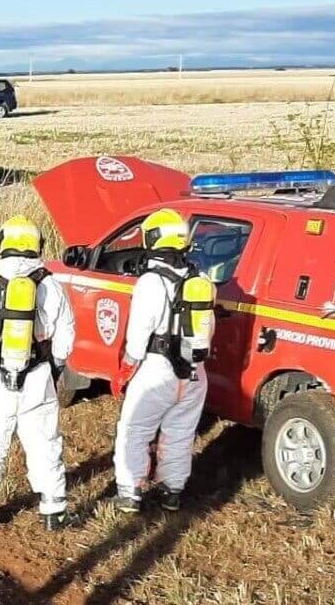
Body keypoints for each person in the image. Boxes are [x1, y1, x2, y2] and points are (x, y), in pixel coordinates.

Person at [0, 215, 76, 535]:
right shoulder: (50, 284)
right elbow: (65, 333)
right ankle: (55, 511)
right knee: (45, 443)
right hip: (37, 377)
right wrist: (57, 367)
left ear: (2, 243)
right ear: (38, 245)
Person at [112, 208, 215, 513]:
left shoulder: (151, 283)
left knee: (135, 430)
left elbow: (139, 335)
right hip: (196, 372)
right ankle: (173, 491)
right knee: (181, 433)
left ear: (153, 238)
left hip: (157, 369)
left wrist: (126, 370)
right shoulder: (200, 279)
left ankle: (130, 491)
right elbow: (209, 328)